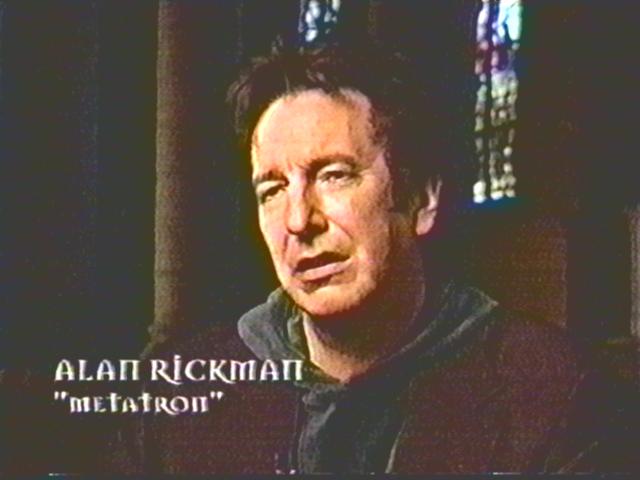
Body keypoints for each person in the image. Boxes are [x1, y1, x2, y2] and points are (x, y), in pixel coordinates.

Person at [104, 45, 639, 474]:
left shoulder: (558, 395)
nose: (299, 220)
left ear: (421, 199)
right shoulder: (176, 395)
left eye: (334, 175)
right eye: (272, 189)